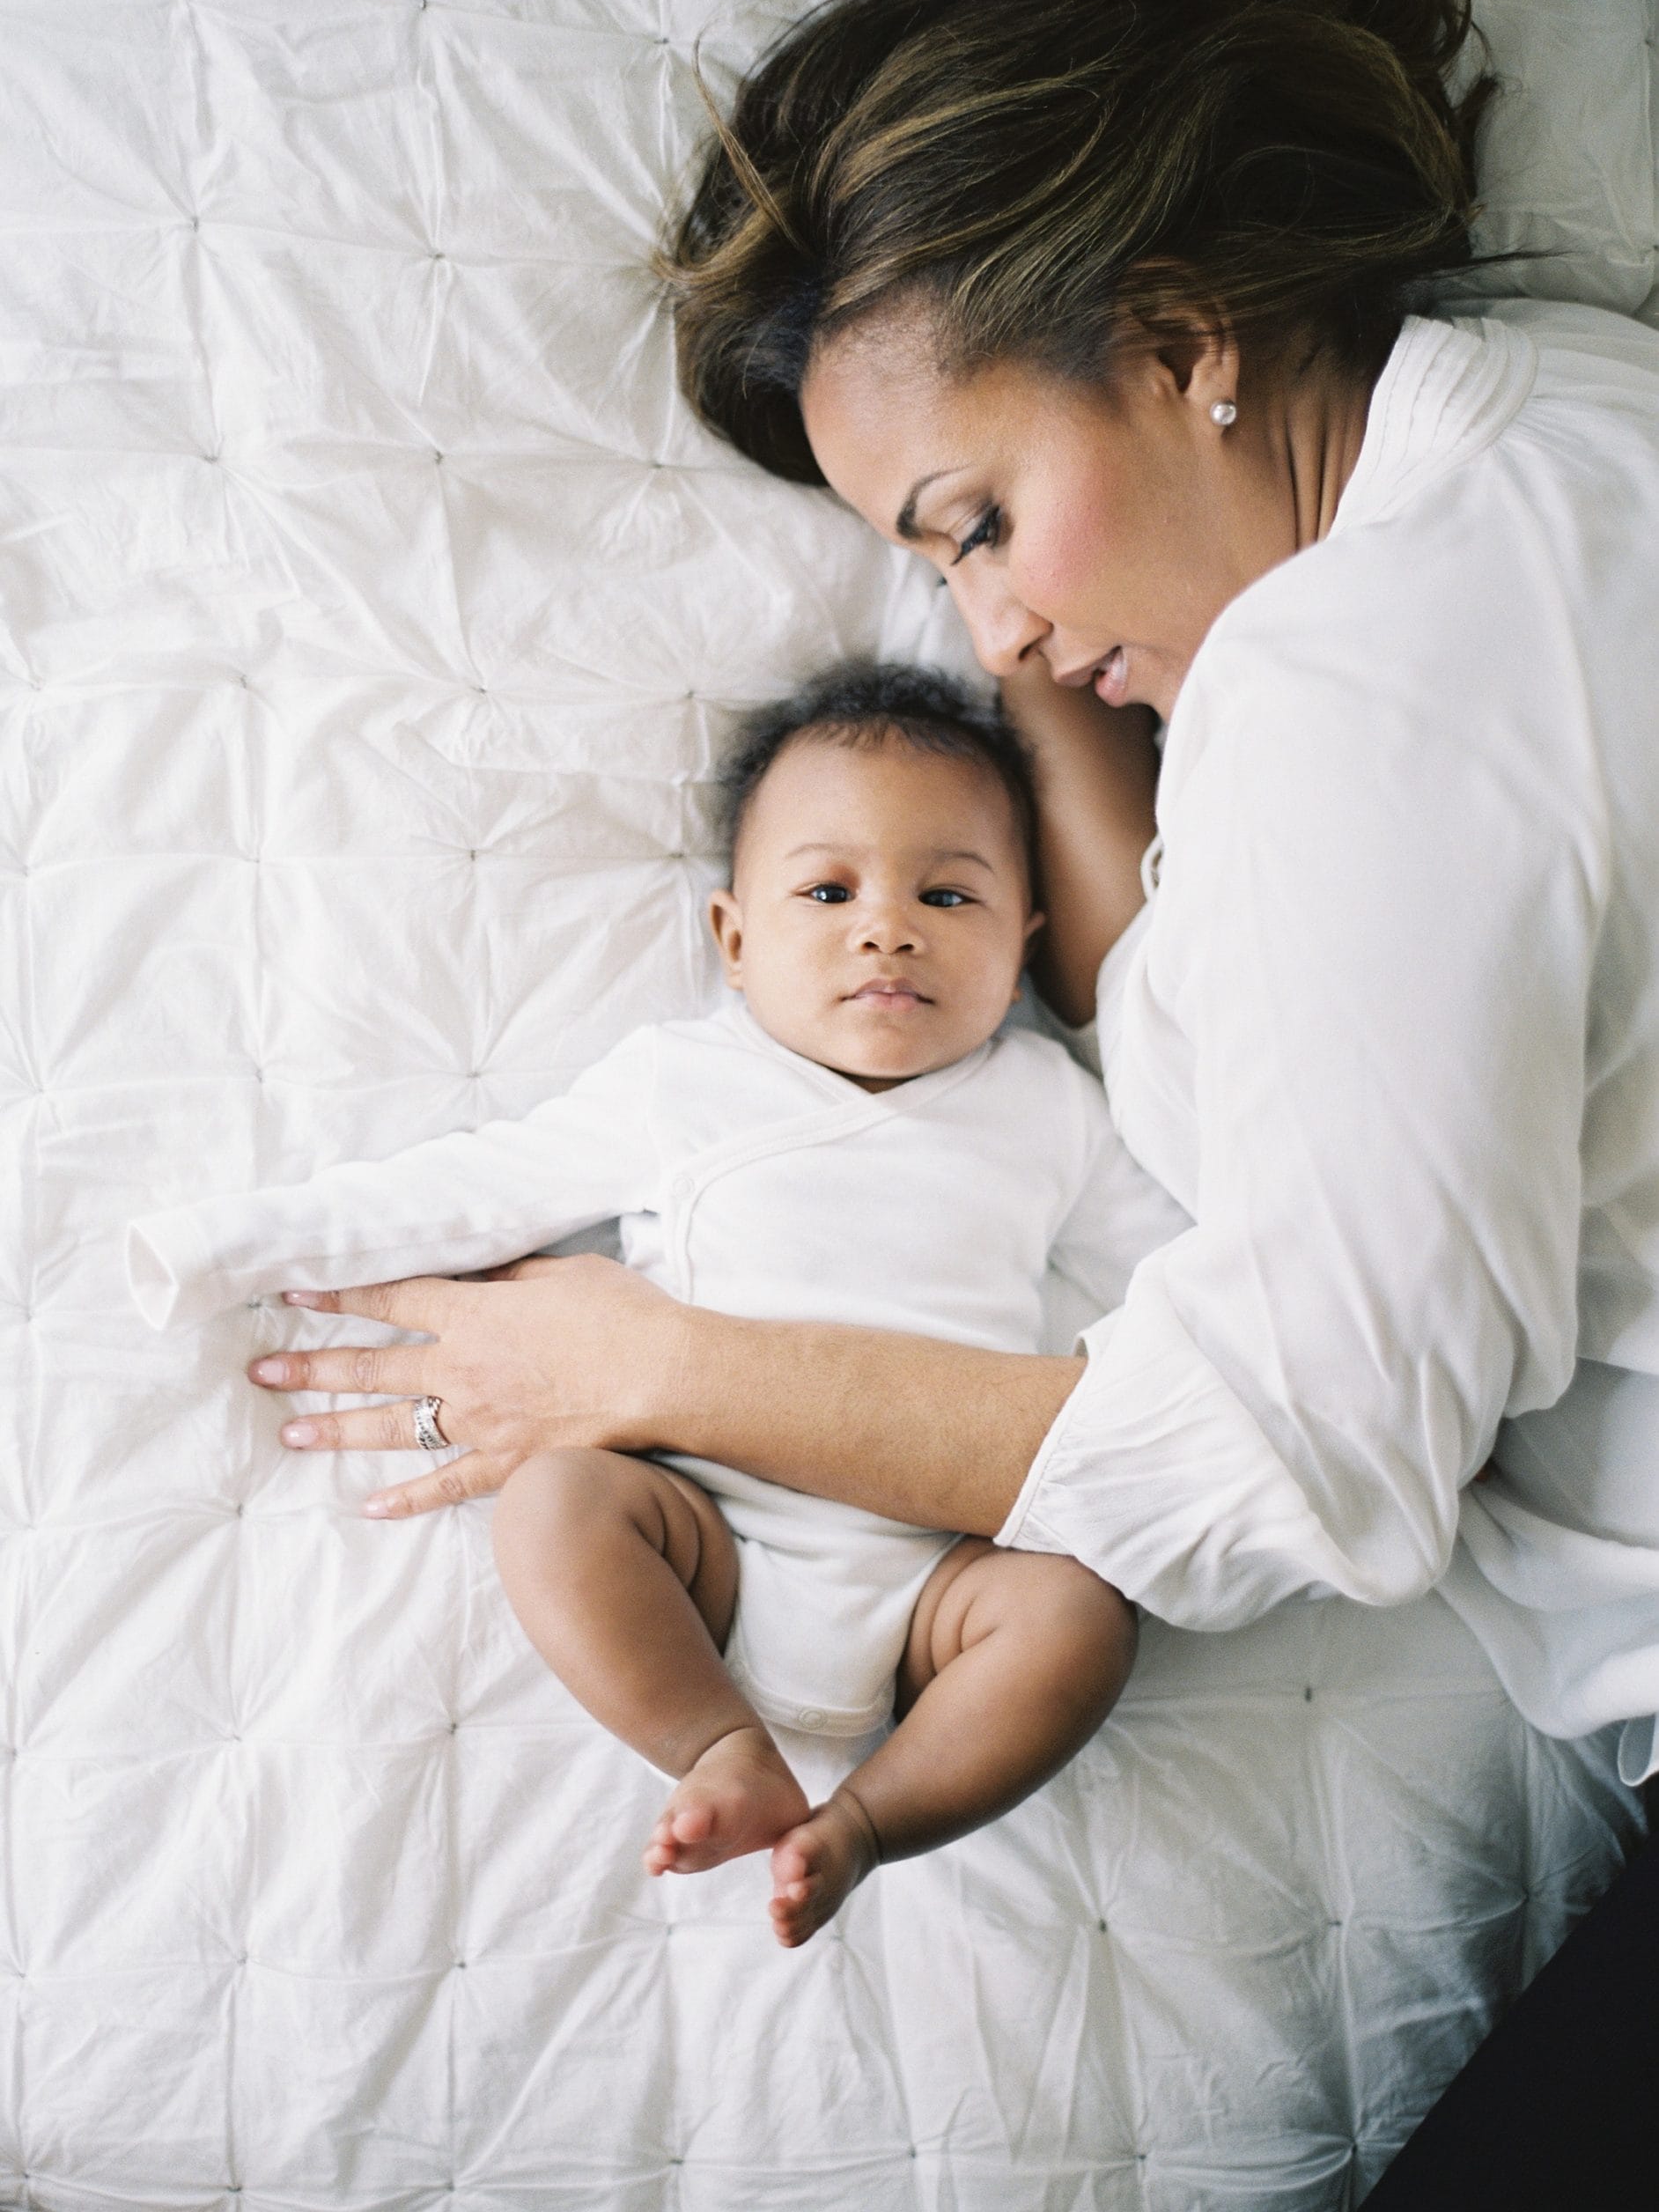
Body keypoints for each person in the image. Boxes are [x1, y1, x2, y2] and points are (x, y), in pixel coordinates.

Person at [230, 0, 1659, 2186]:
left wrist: (652, 1359)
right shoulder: (1574, 416)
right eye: (936, 556)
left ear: (1188, 338)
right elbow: (1212, 982)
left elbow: (1316, 1455)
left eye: (976, 520)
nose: (980, 632)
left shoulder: (1356, 693)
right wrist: (1048, 626)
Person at [128, 663, 1183, 1947]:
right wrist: (223, 1246)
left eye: (948, 893)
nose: (888, 928)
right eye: (829, 891)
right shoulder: (681, 1086)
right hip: (710, 1537)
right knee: (558, 1499)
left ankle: (867, 1821)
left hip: (944, 1573)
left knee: (1078, 1615)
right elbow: (470, 1189)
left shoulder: (1053, 1111)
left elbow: (1177, 1294)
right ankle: (717, 1743)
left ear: (1021, 938)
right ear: (735, 940)